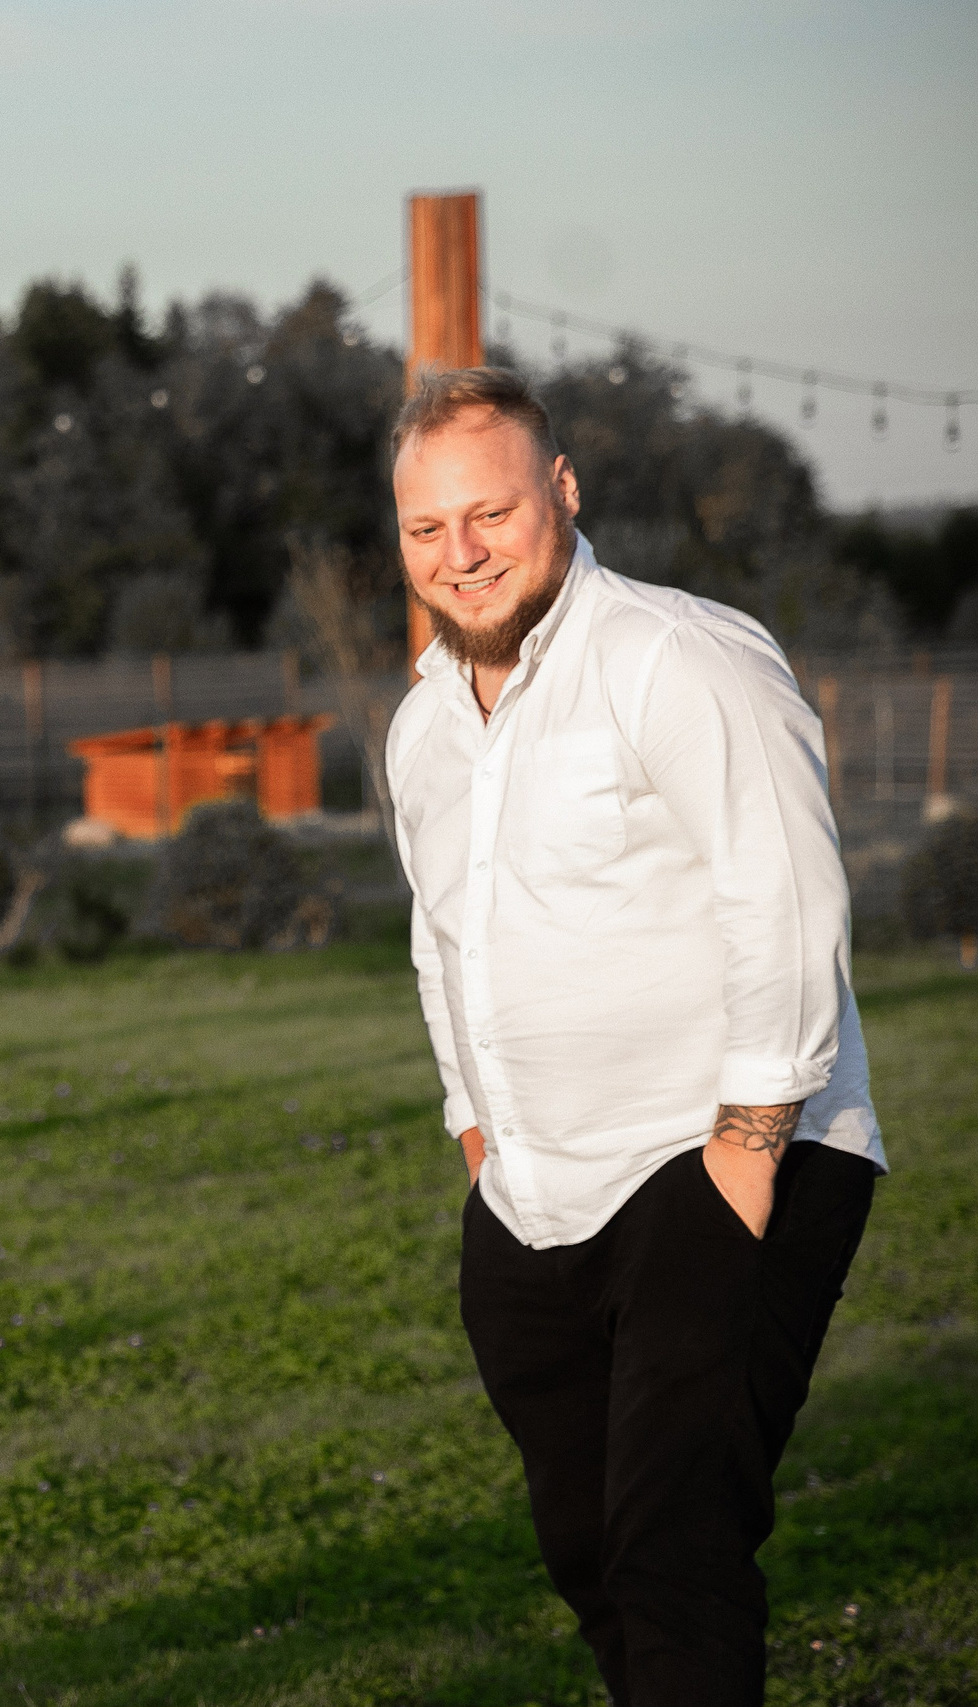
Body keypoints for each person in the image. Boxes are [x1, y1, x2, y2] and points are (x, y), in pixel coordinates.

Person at [386, 367, 884, 1705]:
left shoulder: (678, 655)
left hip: (714, 1157)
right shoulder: (423, 725)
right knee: (589, 1544)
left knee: (676, 1542)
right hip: (533, 1188)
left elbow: (783, 890)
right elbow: (445, 937)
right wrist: (473, 1124)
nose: (461, 552)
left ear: (562, 490)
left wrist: (749, 1140)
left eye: (487, 511)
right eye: (427, 528)